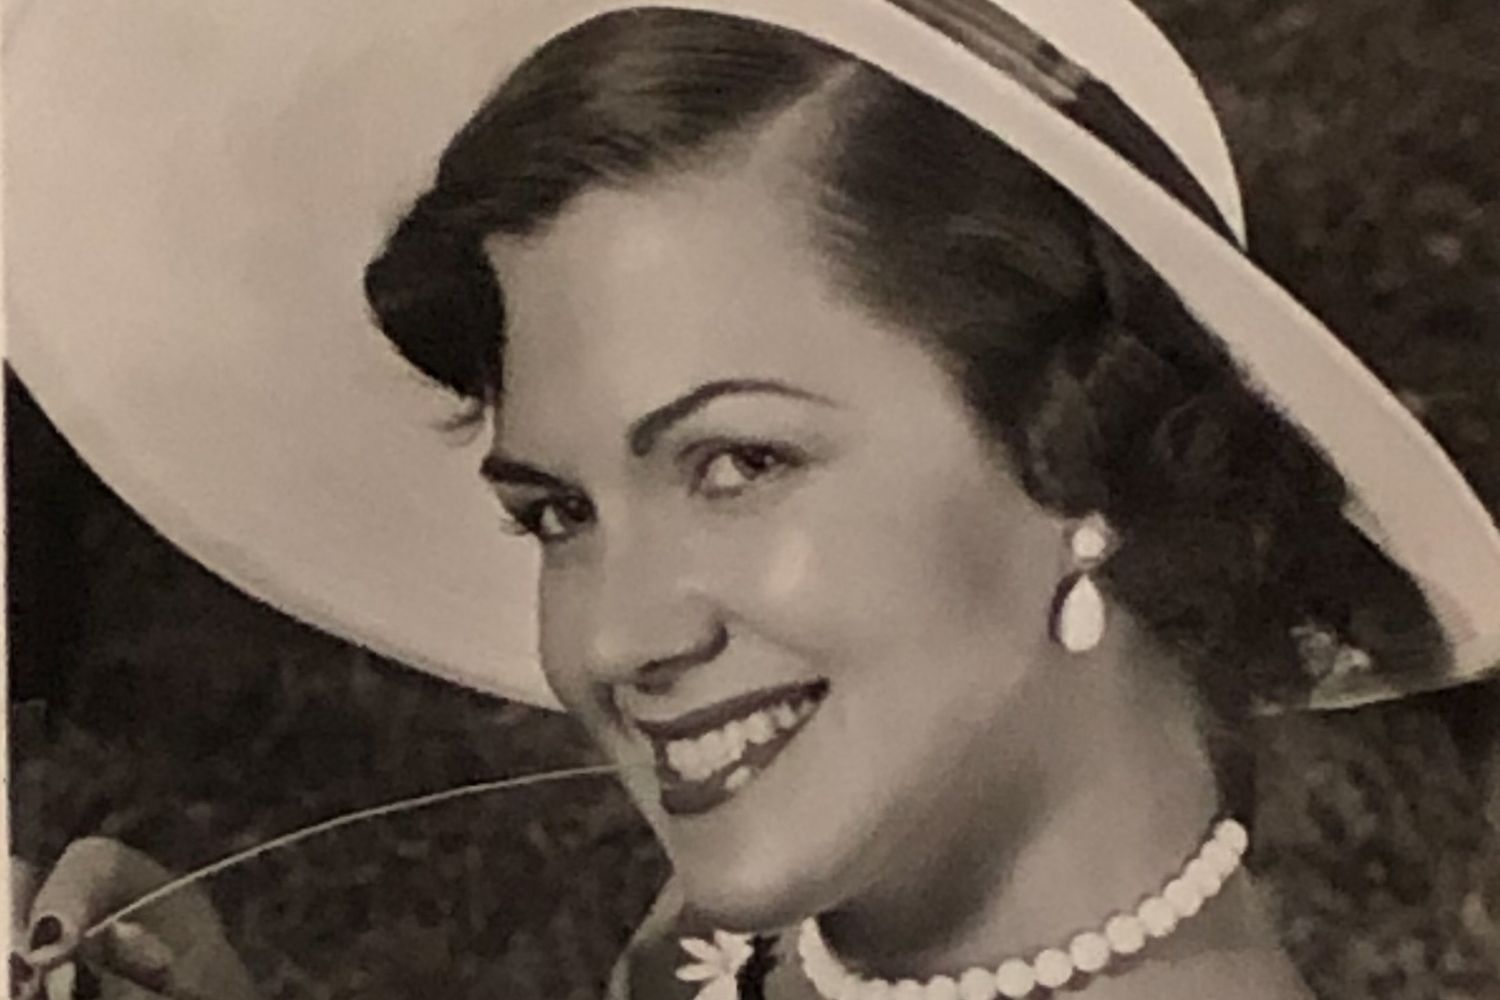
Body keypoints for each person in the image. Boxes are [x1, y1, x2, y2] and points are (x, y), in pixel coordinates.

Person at [8, 1, 1500, 998]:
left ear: (1084, 450)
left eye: (740, 463)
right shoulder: (771, 932)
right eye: (559, 514)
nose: (615, 640)